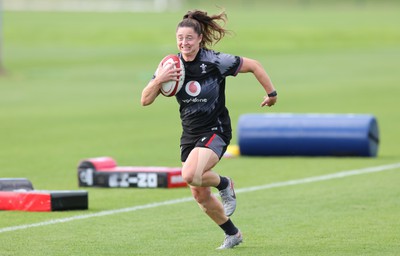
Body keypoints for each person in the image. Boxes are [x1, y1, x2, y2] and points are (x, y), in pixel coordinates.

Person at [141, 9, 277, 249]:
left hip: (216, 129)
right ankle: (232, 234)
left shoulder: (214, 61)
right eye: (180, 38)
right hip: (190, 133)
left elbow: (254, 65)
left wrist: (271, 94)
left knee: (190, 175)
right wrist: (158, 79)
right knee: (199, 194)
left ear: (200, 38)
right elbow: (145, 100)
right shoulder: (170, 65)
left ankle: (224, 183)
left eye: (189, 38)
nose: (184, 43)